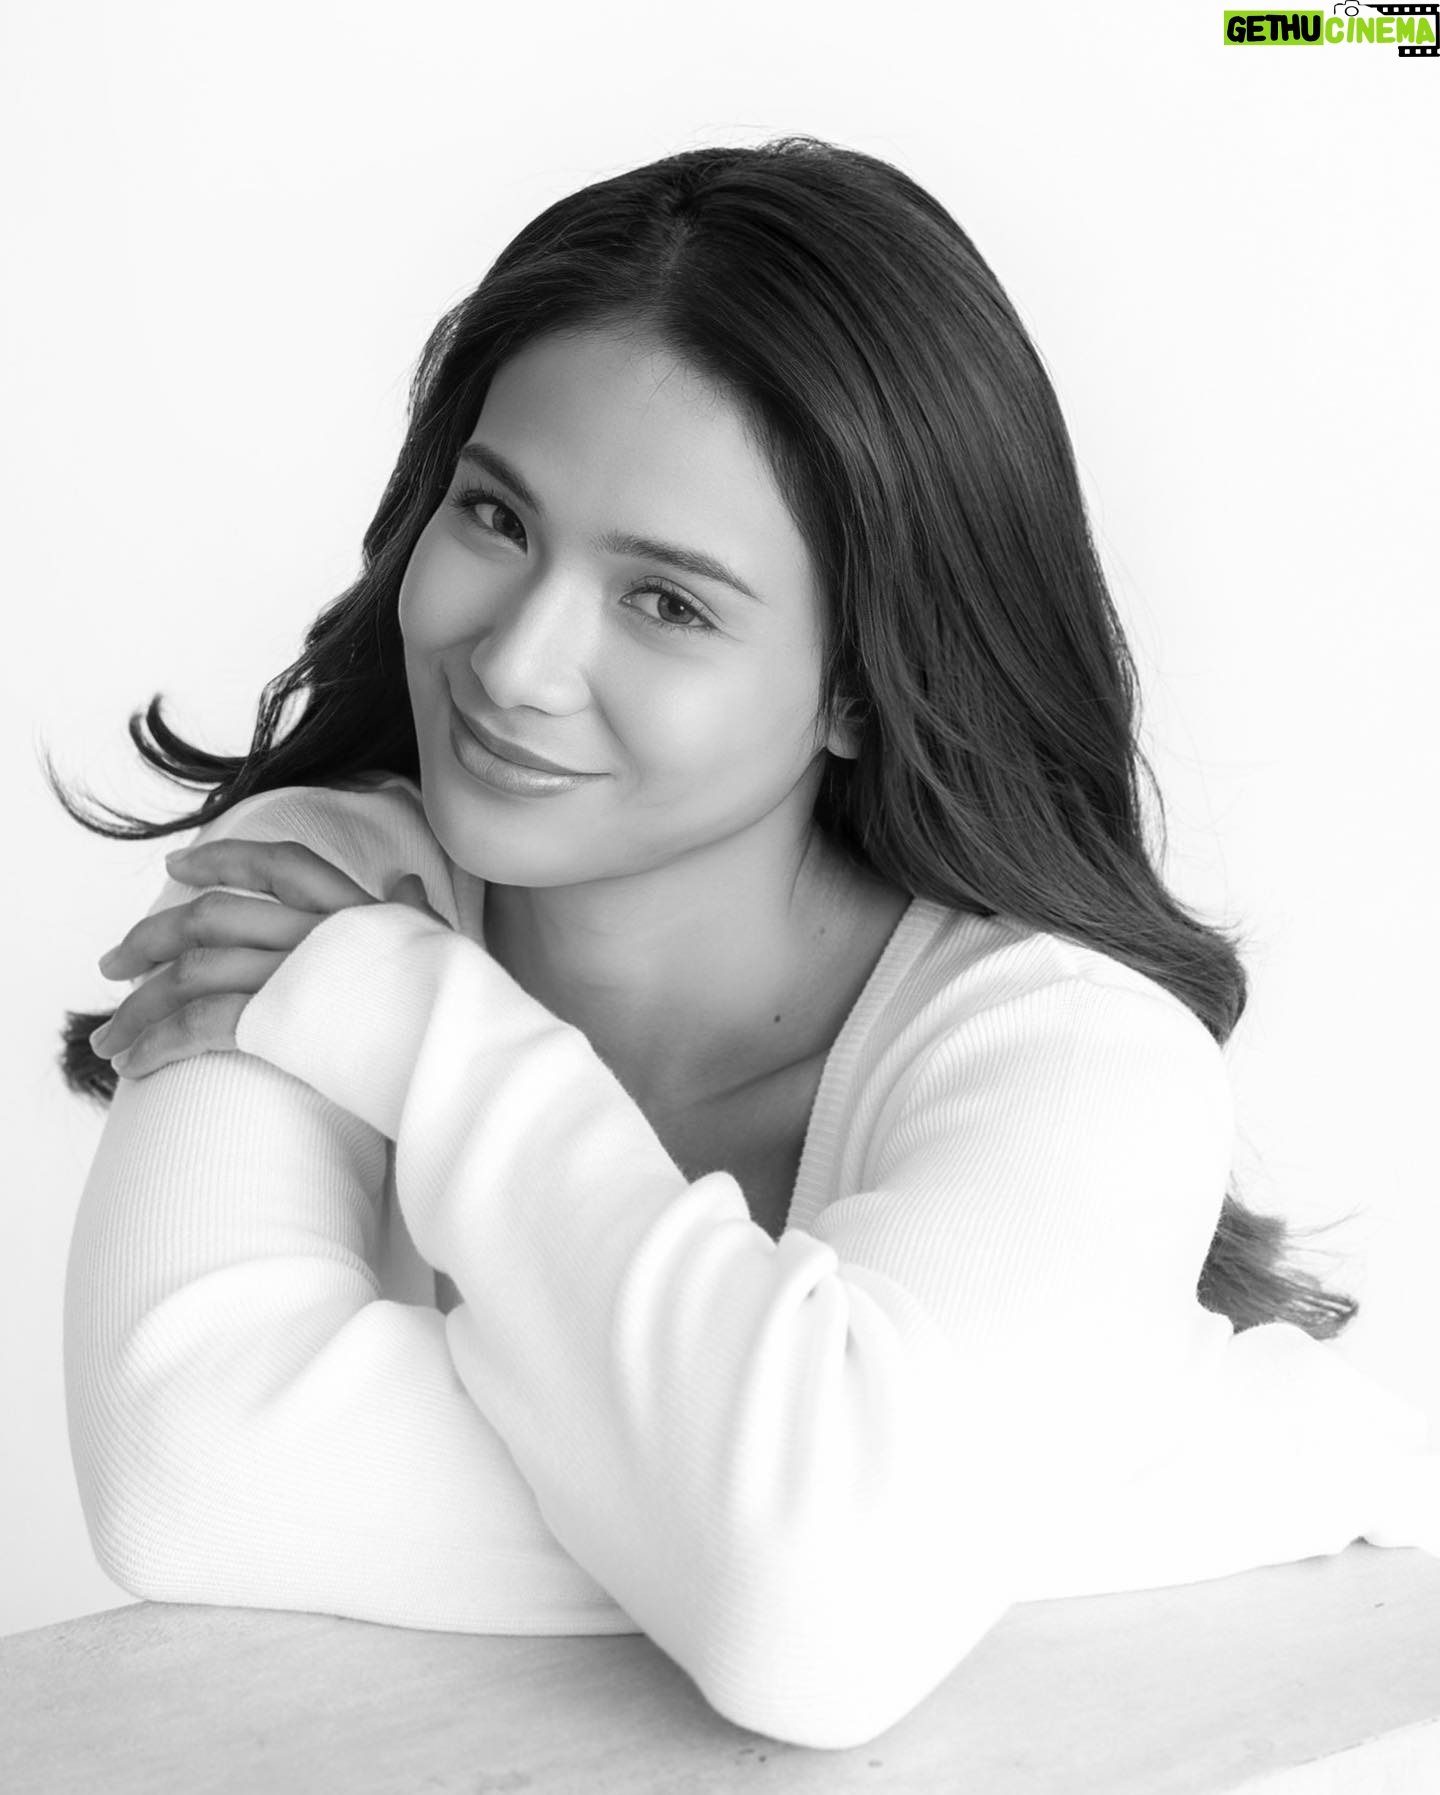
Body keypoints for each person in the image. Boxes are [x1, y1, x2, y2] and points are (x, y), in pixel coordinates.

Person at [54, 136, 1439, 1751]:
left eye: (669, 602)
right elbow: (186, 1476)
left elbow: (811, 1619)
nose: (516, 663)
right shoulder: (306, 884)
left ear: (861, 686)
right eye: (496, 515)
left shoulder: (1078, 1056)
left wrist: (429, 1029)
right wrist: (1101, 1475)